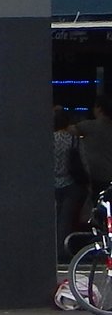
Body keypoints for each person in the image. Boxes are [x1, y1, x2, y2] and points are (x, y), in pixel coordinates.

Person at [55, 108, 87, 263]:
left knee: (52, 218)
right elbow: (83, 162)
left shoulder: (46, 139)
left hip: (50, 183)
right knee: (65, 220)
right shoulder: (73, 140)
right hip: (69, 182)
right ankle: (62, 250)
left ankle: (49, 249)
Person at [75, 95, 112, 206]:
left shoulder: (89, 126)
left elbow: (67, 130)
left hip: (93, 176)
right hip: (109, 175)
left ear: (99, 109)